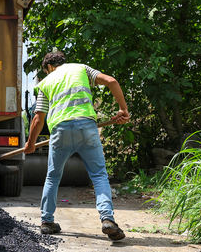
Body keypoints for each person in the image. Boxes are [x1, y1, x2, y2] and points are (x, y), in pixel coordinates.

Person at [23, 51, 131, 240]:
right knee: (98, 175)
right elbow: (112, 81)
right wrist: (123, 109)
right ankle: (107, 219)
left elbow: (38, 118)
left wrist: (30, 144)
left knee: (53, 177)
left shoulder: (46, 83)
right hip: (86, 128)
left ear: (49, 67)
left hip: (60, 131)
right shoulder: (81, 68)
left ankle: (47, 221)